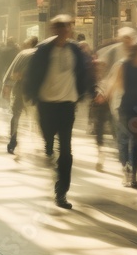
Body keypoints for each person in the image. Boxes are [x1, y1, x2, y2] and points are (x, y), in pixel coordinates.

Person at [23, 15, 91, 209]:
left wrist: (87, 91)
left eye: (66, 28)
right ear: (53, 30)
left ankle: (61, 192)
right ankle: (49, 151)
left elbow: (84, 71)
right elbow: (33, 72)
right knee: (48, 137)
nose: (63, 31)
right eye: (59, 28)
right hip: (46, 104)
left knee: (66, 150)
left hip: (67, 105)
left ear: (70, 30)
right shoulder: (43, 50)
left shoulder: (75, 50)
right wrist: (30, 93)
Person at [99, 42, 137, 188]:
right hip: (126, 107)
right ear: (136, 52)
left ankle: (133, 174)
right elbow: (114, 83)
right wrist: (105, 96)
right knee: (125, 139)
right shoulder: (124, 65)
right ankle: (126, 167)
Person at [3, 37, 39, 155]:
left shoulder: (23, 55)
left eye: (26, 44)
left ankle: (13, 140)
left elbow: (11, 72)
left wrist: (7, 85)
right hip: (31, 90)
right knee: (32, 116)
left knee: (16, 115)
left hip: (22, 90)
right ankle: (35, 141)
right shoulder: (36, 55)